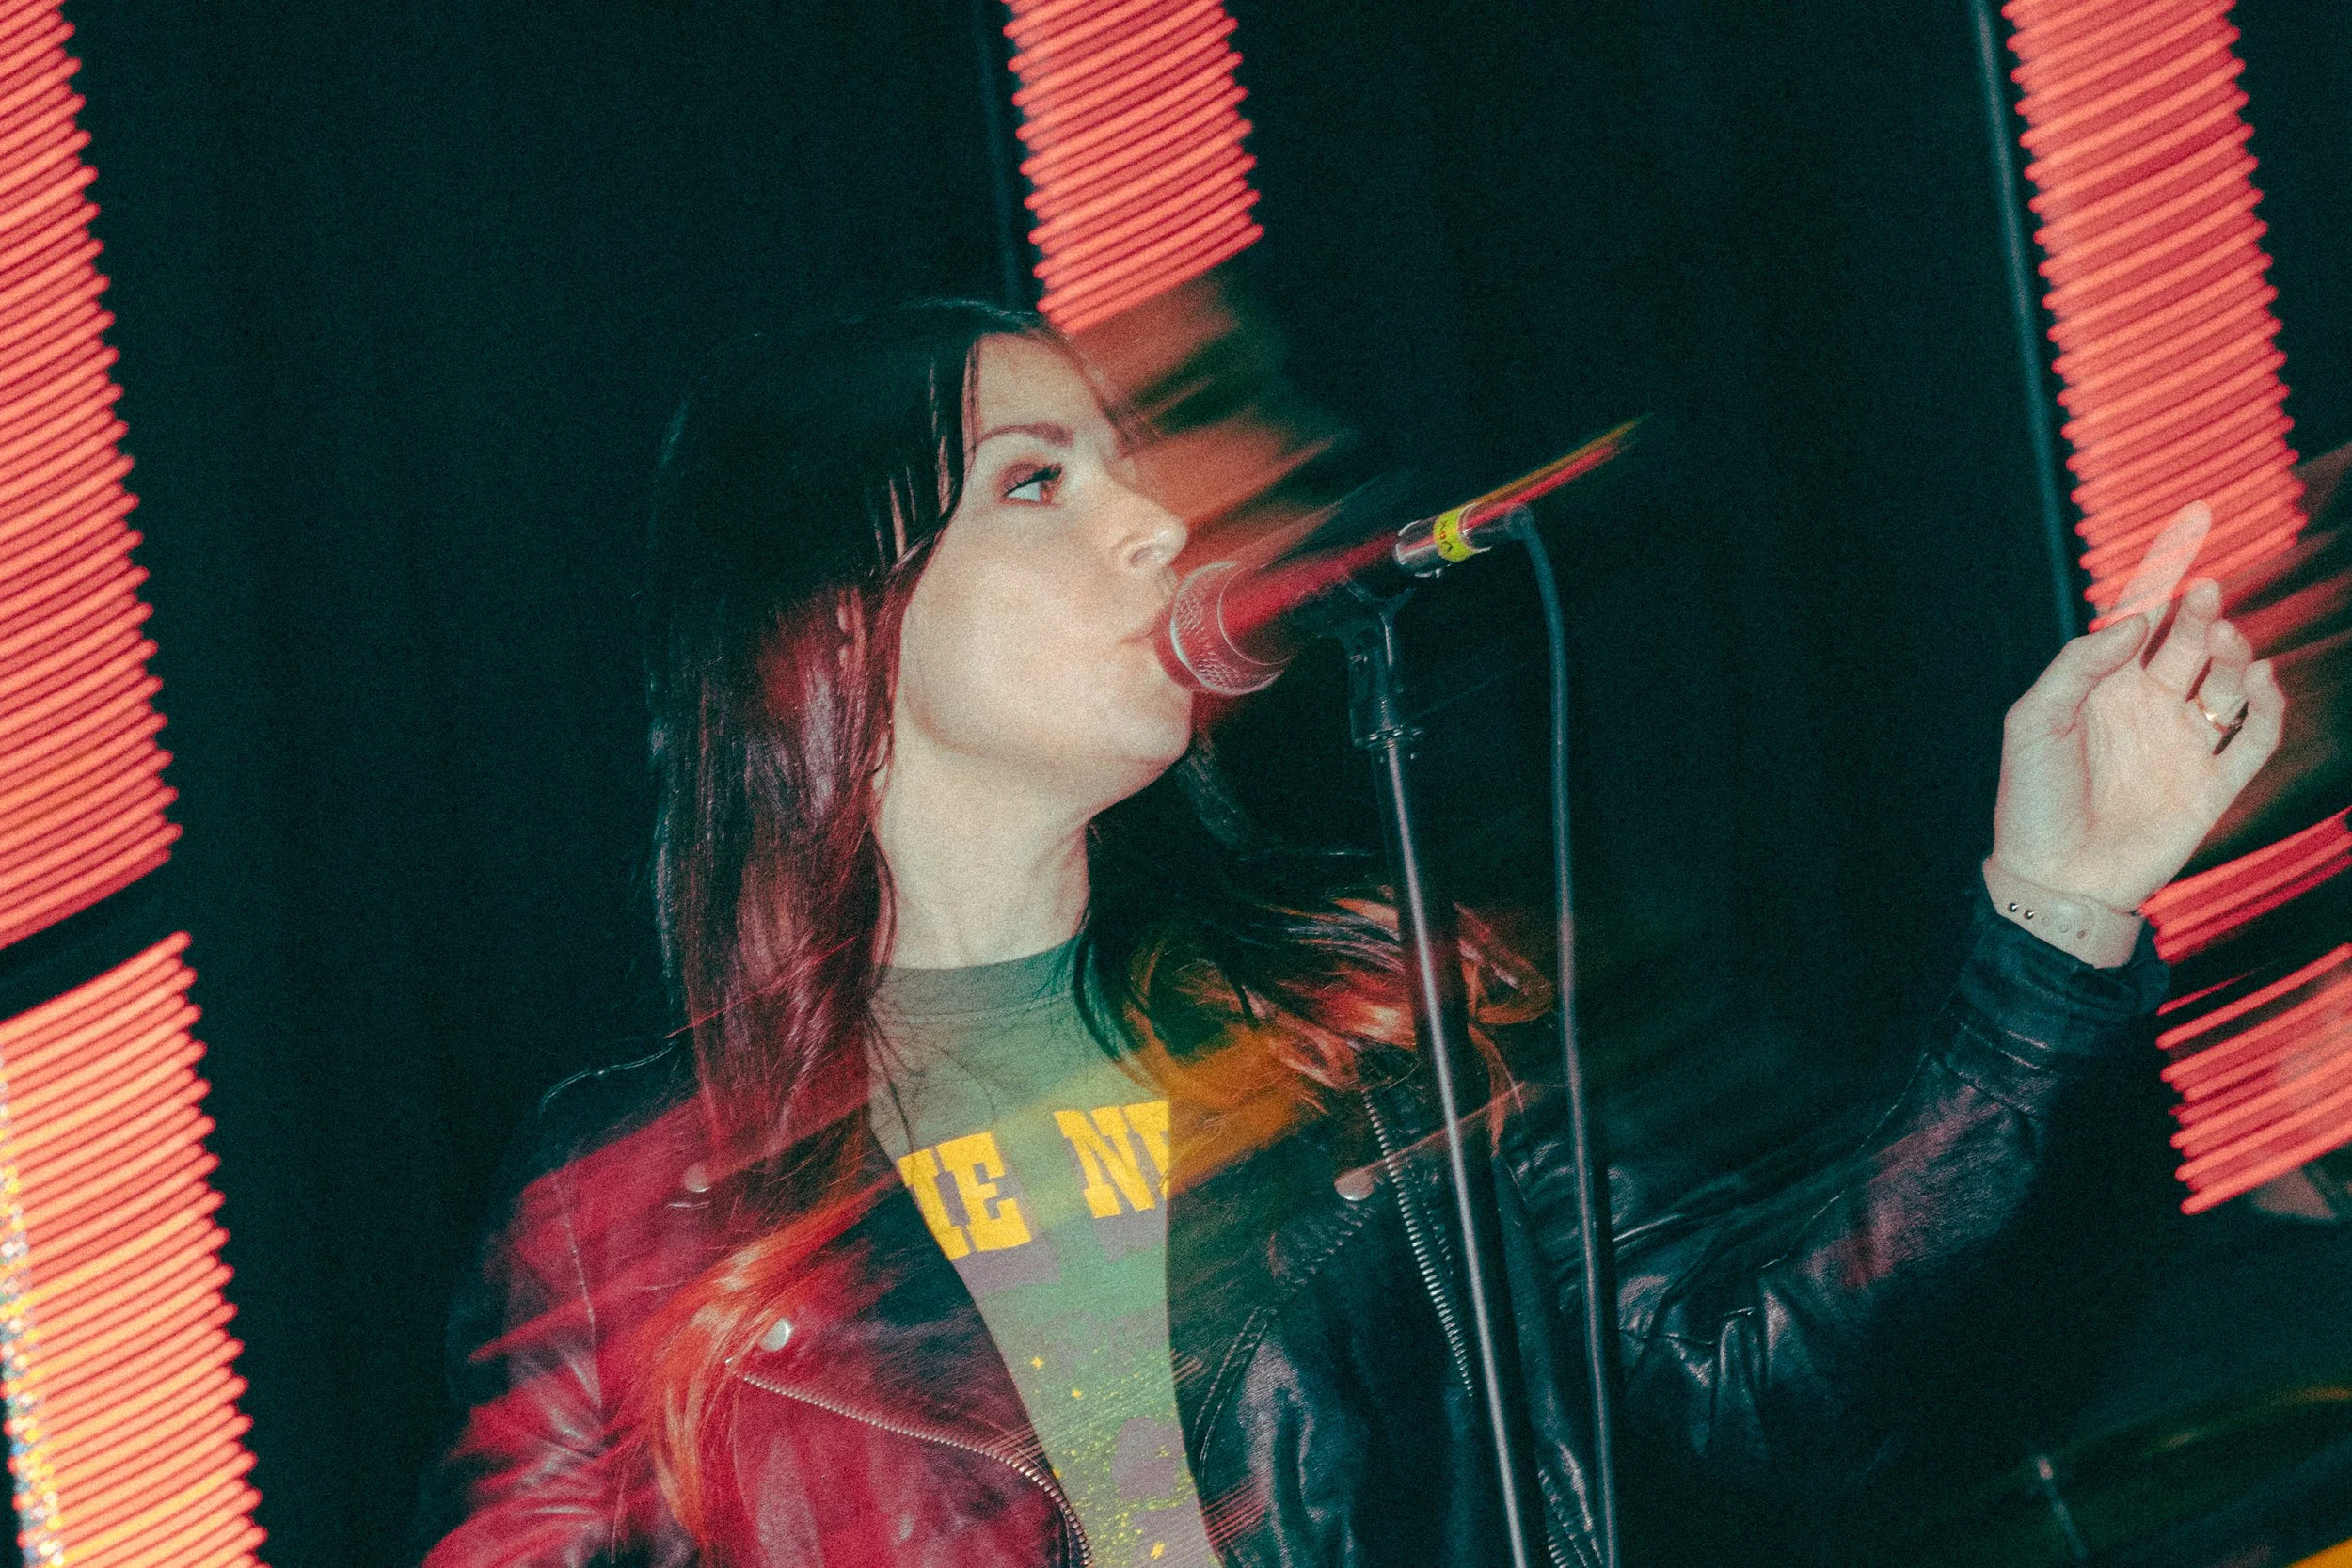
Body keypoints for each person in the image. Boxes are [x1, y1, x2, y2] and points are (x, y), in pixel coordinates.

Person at [410, 298, 2284, 1568]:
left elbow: (1752, 1367)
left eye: (1120, 463)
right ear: (833, 623)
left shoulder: (1361, 1020)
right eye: (1035, 484)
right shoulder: (626, 1218)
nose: (1150, 526)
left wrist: (2053, 909)